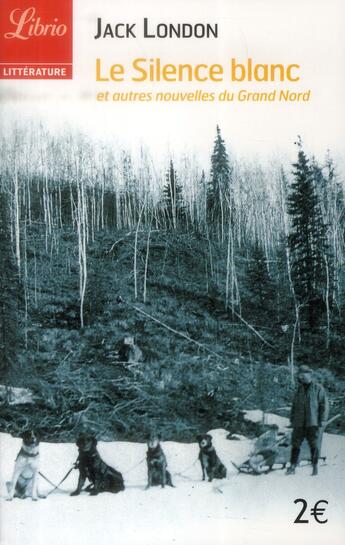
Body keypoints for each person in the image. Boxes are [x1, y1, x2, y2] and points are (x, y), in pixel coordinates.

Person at [286, 364, 329, 476]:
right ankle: (292, 466)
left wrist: (322, 419)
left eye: (303, 374)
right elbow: (294, 406)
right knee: (295, 445)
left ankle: (315, 467)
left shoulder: (318, 389)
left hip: (312, 422)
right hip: (299, 423)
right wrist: (292, 420)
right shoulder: (299, 390)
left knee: (313, 445)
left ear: (309, 374)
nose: (301, 377)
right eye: (300, 375)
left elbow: (324, 405)